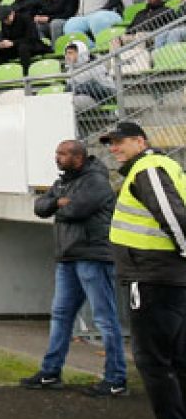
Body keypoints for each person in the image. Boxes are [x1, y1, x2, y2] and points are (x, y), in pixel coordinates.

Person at [103, 121, 186, 419]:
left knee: (154, 362)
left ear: (140, 141)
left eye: (120, 142)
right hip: (164, 278)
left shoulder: (148, 169)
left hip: (153, 279)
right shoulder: (156, 167)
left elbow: (176, 220)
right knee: (178, 361)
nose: (113, 148)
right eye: (110, 144)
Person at [21, 140, 126, 395]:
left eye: (63, 154)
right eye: (57, 153)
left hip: (93, 256)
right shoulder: (62, 183)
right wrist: (59, 202)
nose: (57, 157)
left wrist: (58, 203)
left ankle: (116, 379)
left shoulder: (96, 181)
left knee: (104, 319)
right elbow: (40, 208)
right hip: (68, 257)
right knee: (60, 315)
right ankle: (50, 373)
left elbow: (75, 211)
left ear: (78, 157)